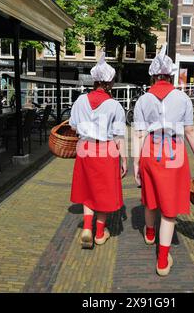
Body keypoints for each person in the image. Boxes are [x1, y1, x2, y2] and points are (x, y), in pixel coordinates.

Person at [133, 45, 194, 276]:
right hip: (174, 153)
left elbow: (138, 134)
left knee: (149, 196)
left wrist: (137, 163)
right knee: (169, 209)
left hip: (150, 151)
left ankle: (149, 233)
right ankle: (162, 259)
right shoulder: (183, 98)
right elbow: (190, 131)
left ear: (153, 75)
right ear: (170, 75)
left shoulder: (142, 100)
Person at [70, 52, 127, 249]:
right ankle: (100, 233)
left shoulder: (80, 101)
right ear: (109, 83)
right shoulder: (115, 106)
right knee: (103, 190)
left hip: (85, 148)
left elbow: (74, 127)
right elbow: (119, 136)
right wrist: (124, 160)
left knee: (88, 188)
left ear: (95, 80)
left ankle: (87, 227)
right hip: (106, 149)